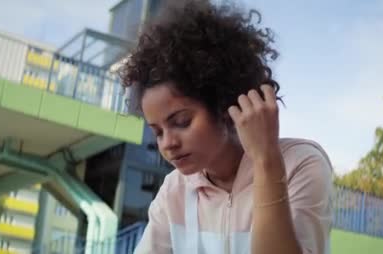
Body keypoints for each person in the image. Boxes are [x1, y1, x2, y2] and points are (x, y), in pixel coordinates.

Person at [120, 0, 333, 253]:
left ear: (224, 104)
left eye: (181, 122)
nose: (168, 143)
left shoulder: (300, 164)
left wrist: (266, 161)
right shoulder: (174, 191)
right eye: (157, 132)